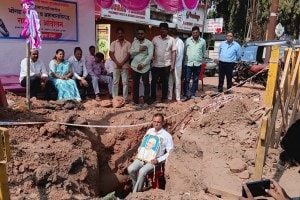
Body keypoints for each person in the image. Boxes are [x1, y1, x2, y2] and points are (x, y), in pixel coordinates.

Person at [127, 113, 174, 193]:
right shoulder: (149, 131)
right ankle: (136, 188)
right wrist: (140, 152)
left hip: (154, 161)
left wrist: (158, 160)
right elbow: (143, 143)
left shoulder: (167, 136)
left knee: (142, 171)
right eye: (154, 121)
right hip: (142, 158)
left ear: (162, 122)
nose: (156, 123)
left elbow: (171, 153)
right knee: (131, 169)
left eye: (158, 122)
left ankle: (135, 194)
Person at [151, 22, 176, 103]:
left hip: (166, 65)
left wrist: (172, 64)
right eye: (161, 29)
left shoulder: (171, 40)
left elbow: (173, 52)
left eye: (164, 29)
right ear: (159, 30)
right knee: (153, 82)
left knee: (165, 82)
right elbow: (151, 50)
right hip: (155, 64)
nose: (163, 31)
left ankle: (164, 98)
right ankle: (153, 97)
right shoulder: (155, 39)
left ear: (167, 30)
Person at [130, 27, 153, 106]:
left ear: (144, 34)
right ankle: (135, 100)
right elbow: (131, 52)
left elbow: (150, 55)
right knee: (135, 84)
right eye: (138, 34)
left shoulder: (149, 43)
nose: (140, 35)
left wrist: (143, 64)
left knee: (146, 84)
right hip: (134, 66)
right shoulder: (134, 42)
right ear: (137, 34)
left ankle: (146, 101)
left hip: (145, 67)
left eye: (142, 33)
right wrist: (139, 50)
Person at [182, 26, 206, 101]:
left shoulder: (203, 41)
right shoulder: (187, 41)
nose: (195, 34)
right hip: (188, 63)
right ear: (191, 33)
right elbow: (184, 52)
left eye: (196, 32)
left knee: (195, 80)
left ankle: (192, 94)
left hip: (197, 64)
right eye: (193, 33)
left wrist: (200, 60)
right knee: (187, 79)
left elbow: (203, 52)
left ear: (199, 33)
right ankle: (185, 94)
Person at [109, 27, 131, 102]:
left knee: (125, 82)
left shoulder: (128, 43)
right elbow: (111, 54)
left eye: (121, 33)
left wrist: (122, 63)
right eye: (119, 33)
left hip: (124, 66)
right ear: (117, 34)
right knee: (115, 82)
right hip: (116, 66)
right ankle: (114, 98)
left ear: (124, 34)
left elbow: (129, 55)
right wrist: (117, 62)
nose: (120, 34)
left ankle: (125, 98)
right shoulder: (113, 43)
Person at [168, 28, 184, 102]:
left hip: (177, 65)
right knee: (170, 82)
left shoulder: (179, 42)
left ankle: (177, 98)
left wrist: (173, 65)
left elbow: (179, 55)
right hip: (169, 65)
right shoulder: (170, 41)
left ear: (173, 35)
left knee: (177, 82)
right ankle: (169, 97)